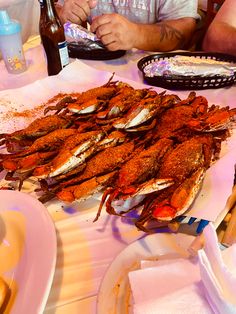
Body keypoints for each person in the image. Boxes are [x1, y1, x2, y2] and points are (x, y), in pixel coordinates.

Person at [56, 0, 199, 52]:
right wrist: (64, 14)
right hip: (94, 72)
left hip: (154, 78)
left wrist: (137, 35)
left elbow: (184, 29)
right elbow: (56, 12)